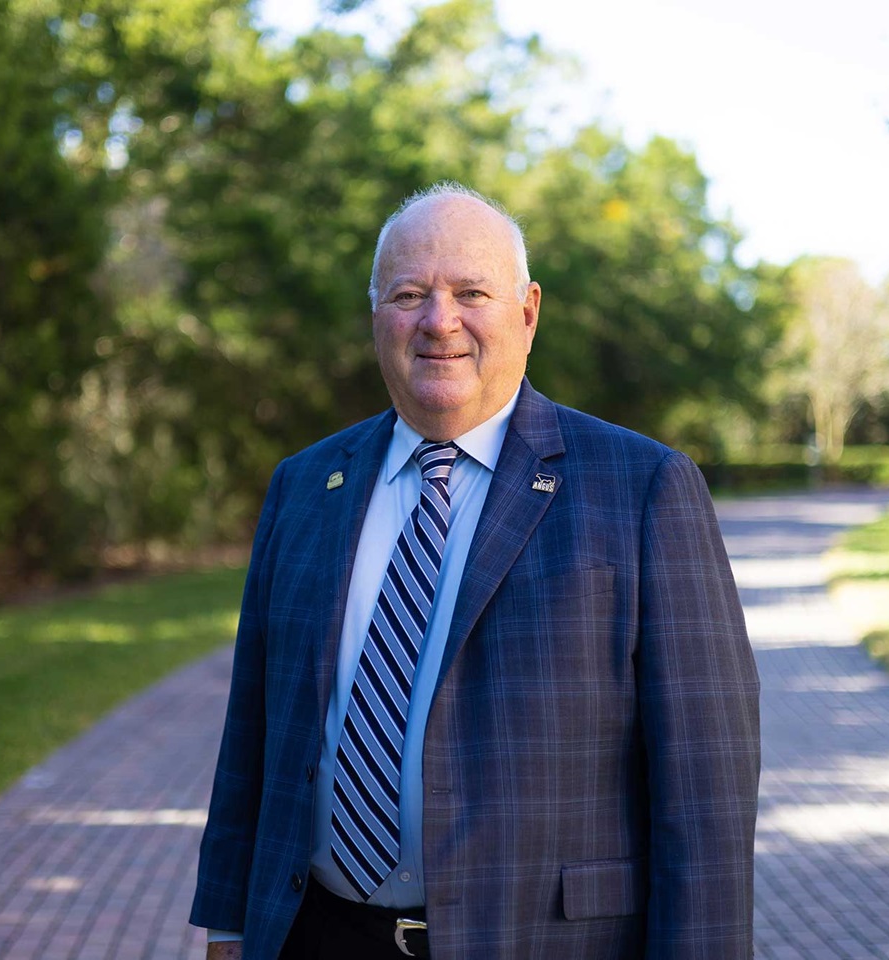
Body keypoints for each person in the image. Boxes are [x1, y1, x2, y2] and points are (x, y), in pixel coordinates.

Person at [189, 182, 760, 960]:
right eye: (410, 293)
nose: (439, 320)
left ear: (526, 312)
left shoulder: (643, 488)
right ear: (377, 317)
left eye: (471, 292)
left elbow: (705, 793)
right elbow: (254, 733)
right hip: (312, 937)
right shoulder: (304, 485)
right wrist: (228, 929)